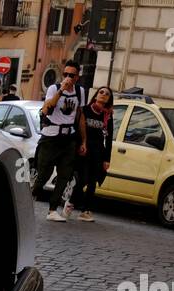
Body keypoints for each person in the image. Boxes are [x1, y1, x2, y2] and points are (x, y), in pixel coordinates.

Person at [34, 59, 86, 222]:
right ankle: (26, 198)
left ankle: (52, 209)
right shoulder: (53, 88)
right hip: (51, 137)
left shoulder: (80, 91)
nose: (68, 77)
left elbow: (80, 116)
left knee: (65, 175)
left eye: (72, 75)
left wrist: (83, 141)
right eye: (65, 74)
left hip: (68, 137)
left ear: (78, 77)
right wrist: (61, 90)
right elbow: (48, 108)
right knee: (43, 174)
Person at [75, 86, 115, 223]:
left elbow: (109, 138)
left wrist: (107, 159)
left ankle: (85, 211)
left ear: (109, 99)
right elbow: (78, 129)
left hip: (98, 152)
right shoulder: (85, 110)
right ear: (96, 95)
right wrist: (80, 144)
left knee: (92, 182)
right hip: (84, 150)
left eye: (107, 94)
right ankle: (71, 202)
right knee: (82, 179)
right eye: (101, 92)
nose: (103, 95)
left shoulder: (107, 116)